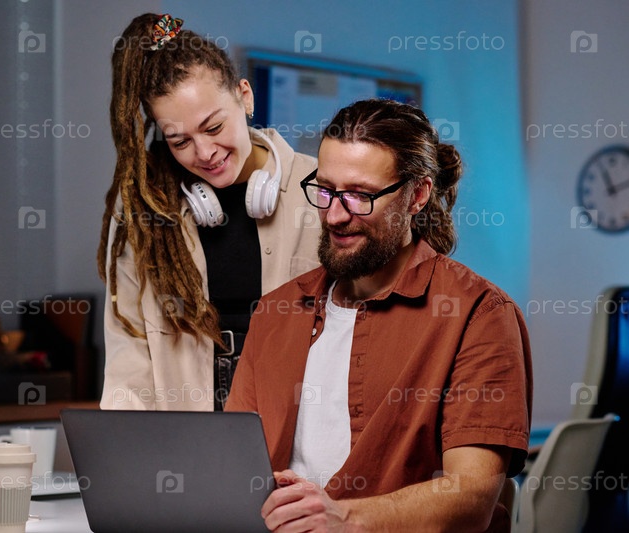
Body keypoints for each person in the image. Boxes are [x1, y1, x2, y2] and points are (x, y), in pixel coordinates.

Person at [226, 99, 532, 532]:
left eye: (359, 195)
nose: (334, 215)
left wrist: (342, 518)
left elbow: (471, 497)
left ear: (417, 195)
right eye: (326, 190)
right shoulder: (276, 310)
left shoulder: (480, 315)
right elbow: (237, 468)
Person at [97, 14, 320, 411]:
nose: (205, 153)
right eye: (179, 141)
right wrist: (128, 439)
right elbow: (129, 353)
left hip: (298, 424)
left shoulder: (320, 189)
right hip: (189, 430)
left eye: (214, 127)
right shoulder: (144, 208)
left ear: (245, 96)